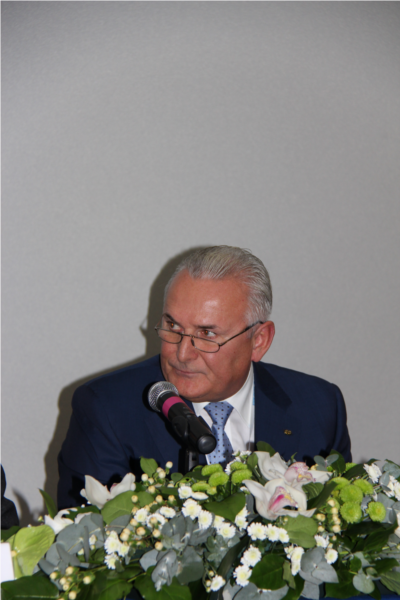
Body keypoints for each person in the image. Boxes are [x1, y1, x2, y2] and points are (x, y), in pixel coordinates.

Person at [58, 246, 351, 509]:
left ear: (259, 340)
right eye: (173, 327)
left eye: (207, 334)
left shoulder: (319, 406)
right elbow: (89, 540)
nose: (182, 353)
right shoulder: (106, 410)